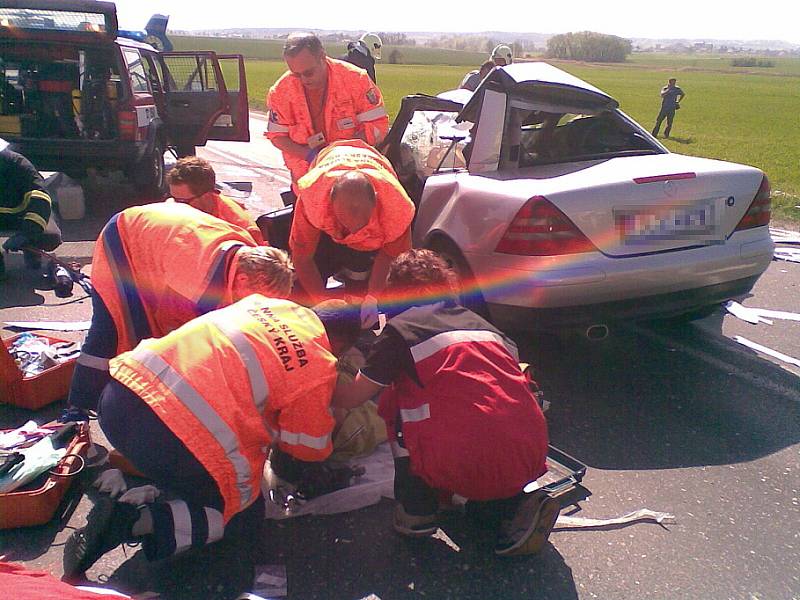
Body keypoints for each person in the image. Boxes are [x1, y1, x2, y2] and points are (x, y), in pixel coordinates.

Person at [62, 295, 361, 582]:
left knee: (200, 473)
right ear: (343, 345)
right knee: (241, 513)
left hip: (119, 398)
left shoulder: (267, 305)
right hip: (170, 436)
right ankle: (132, 523)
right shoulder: (319, 364)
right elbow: (305, 449)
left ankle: (183, 488)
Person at [332, 249, 559, 556]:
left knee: (396, 405)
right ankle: (510, 509)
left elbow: (352, 397)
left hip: (467, 455)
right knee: (467, 424)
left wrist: (319, 371)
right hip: (528, 450)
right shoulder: (487, 328)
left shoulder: (402, 330)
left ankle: (417, 513)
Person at [66, 202, 294, 415]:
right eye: (257, 300)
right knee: (117, 328)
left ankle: (133, 405)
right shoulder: (195, 280)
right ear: (243, 280)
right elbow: (174, 339)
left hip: (158, 237)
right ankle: (79, 407)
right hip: (124, 239)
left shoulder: (249, 254)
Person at [289, 139, 415, 305]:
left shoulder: (396, 207)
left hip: (373, 230)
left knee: (363, 273)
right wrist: (322, 303)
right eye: (345, 222)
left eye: (362, 223)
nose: (354, 232)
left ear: (376, 201)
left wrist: (373, 298)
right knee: (298, 288)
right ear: (329, 203)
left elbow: (392, 256)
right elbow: (302, 257)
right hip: (328, 164)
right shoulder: (312, 199)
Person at [266, 33, 389, 194]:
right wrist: (311, 156)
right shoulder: (280, 91)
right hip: (306, 185)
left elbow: (378, 125)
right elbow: (277, 137)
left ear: (322, 57)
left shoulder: (356, 80)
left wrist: (339, 154)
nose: (303, 79)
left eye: (308, 73)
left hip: (352, 183)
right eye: (296, 74)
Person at [166, 156, 265, 244]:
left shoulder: (241, 230)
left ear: (206, 196)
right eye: (174, 199)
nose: (176, 206)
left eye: (182, 202)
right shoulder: (173, 209)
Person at [0, 139, 62, 277]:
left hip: (24, 215)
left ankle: (32, 248)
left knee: (49, 237)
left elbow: (41, 199)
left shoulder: (18, 164)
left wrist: (27, 233)